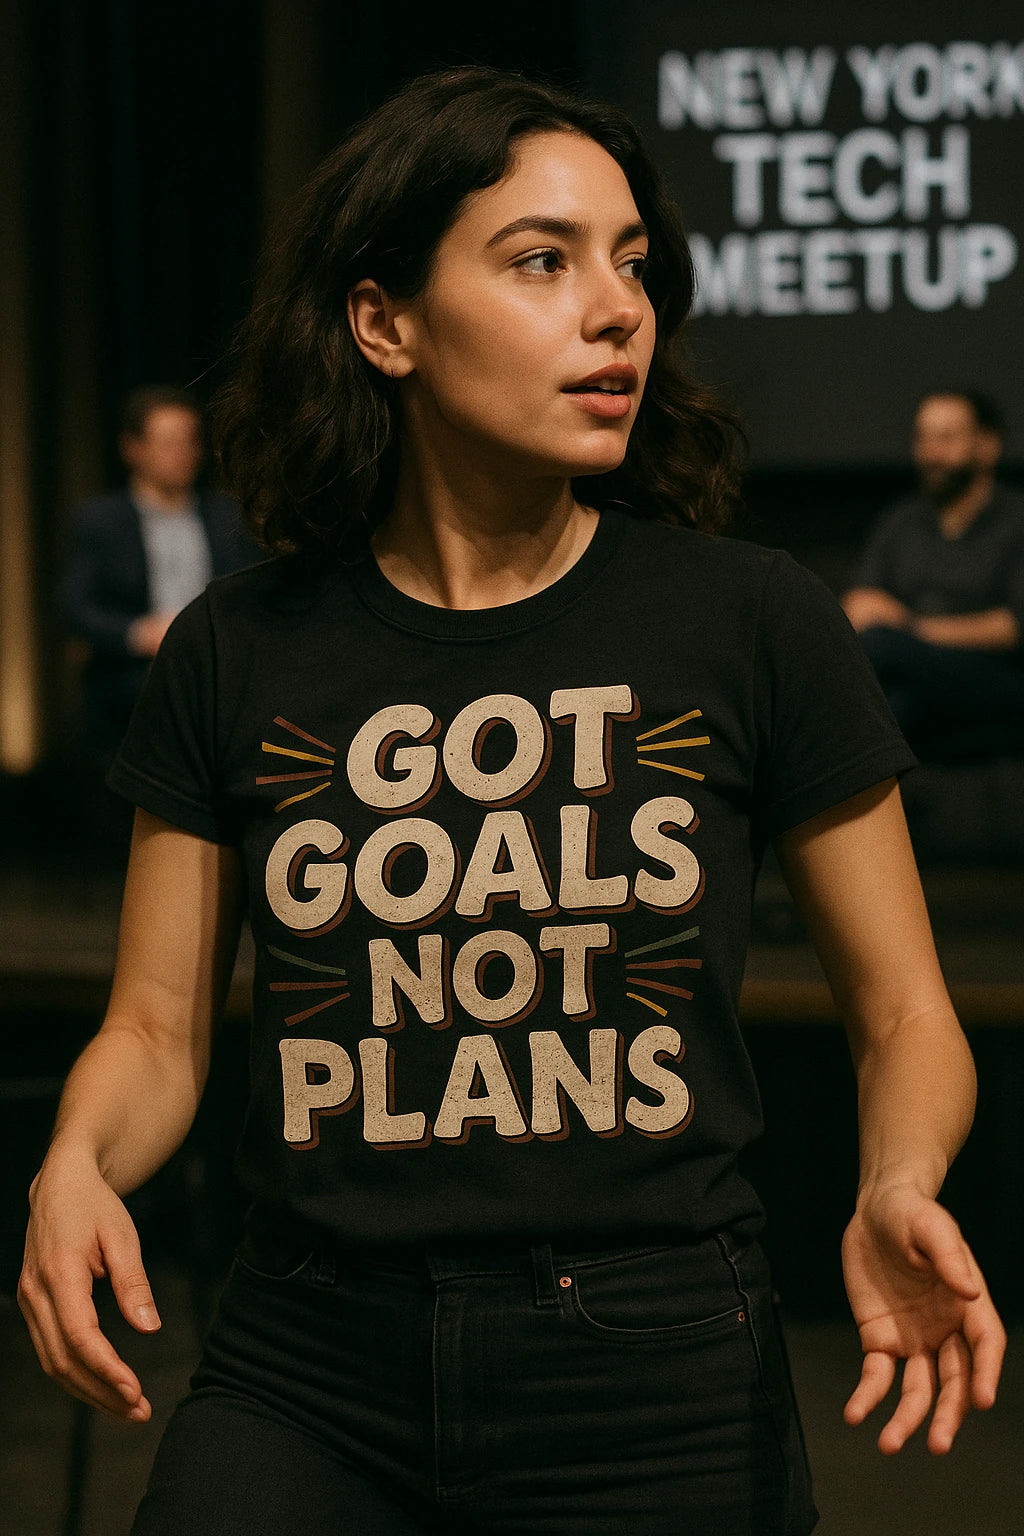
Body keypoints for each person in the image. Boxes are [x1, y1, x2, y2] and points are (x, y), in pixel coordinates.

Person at [20, 68, 1005, 1536]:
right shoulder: (241, 647)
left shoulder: (748, 620)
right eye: (543, 260)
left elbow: (909, 1016)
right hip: (307, 1365)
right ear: (385, 322)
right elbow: (156, 1031)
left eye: (632, 264)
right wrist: (75, 1162)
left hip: (654, 1365)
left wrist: (898, 1177)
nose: (616, 309)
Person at [62, 385, 252, 756]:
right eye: (167, 442)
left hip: (218, 688)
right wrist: (139, 632)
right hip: (129, 693)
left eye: (189, 441)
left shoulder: (227, 517)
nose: (181, 454)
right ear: (133, 448)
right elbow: (75, 607)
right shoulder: (100, 521)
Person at [842, 391, 1024, 761]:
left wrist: (909, 627)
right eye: (923, 439)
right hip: (909, 673)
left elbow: (1013, 627)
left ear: (987, 446)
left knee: (879, 647)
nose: (930, 453)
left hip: (994, 674)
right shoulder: (901, 521)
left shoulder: (1016, 521)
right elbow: (858, 605)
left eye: (946, 439)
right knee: (900, 704)